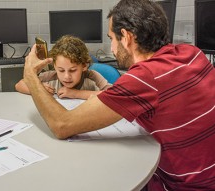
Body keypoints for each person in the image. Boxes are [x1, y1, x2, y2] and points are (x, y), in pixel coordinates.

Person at [23, 0, 215, 190]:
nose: (113, 49)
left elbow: (62, 125)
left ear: (126, 36)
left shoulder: (144, 77)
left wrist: (30, 75)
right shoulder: (192, 53)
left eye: (112, 39)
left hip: (185, 186)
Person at [15, 35, 111, 99]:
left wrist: (75, 93)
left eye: (72, 70)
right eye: (61, 70)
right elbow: (19, 85)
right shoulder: (51, 76)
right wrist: (38, 89)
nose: (66, 76)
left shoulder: (92, 77)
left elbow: (112, 95)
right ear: (55, 66)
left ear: (84, 65)